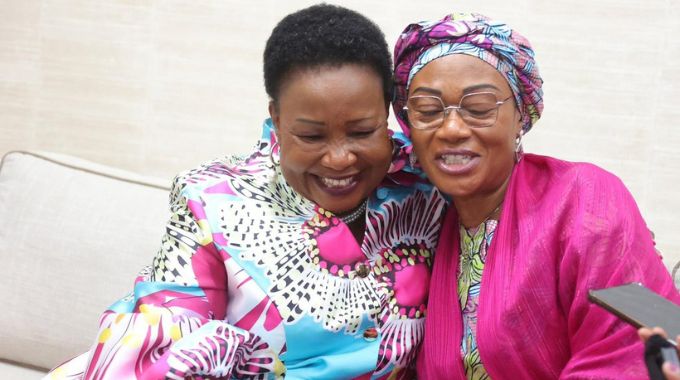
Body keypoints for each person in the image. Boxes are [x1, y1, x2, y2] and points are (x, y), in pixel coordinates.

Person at [46, 4, 446, 379]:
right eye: (311, 135)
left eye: (362, 132)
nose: (340, 159)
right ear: (276, 117)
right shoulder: (210, 199)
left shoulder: (428, 182)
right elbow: (168, 322)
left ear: (389, 112)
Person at [391, 12, 680, 379]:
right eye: (428, 111)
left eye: (479, 108)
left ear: (520, 117)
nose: (451, 128)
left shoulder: (586, 201)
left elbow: (628, 352)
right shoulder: (427, 226)